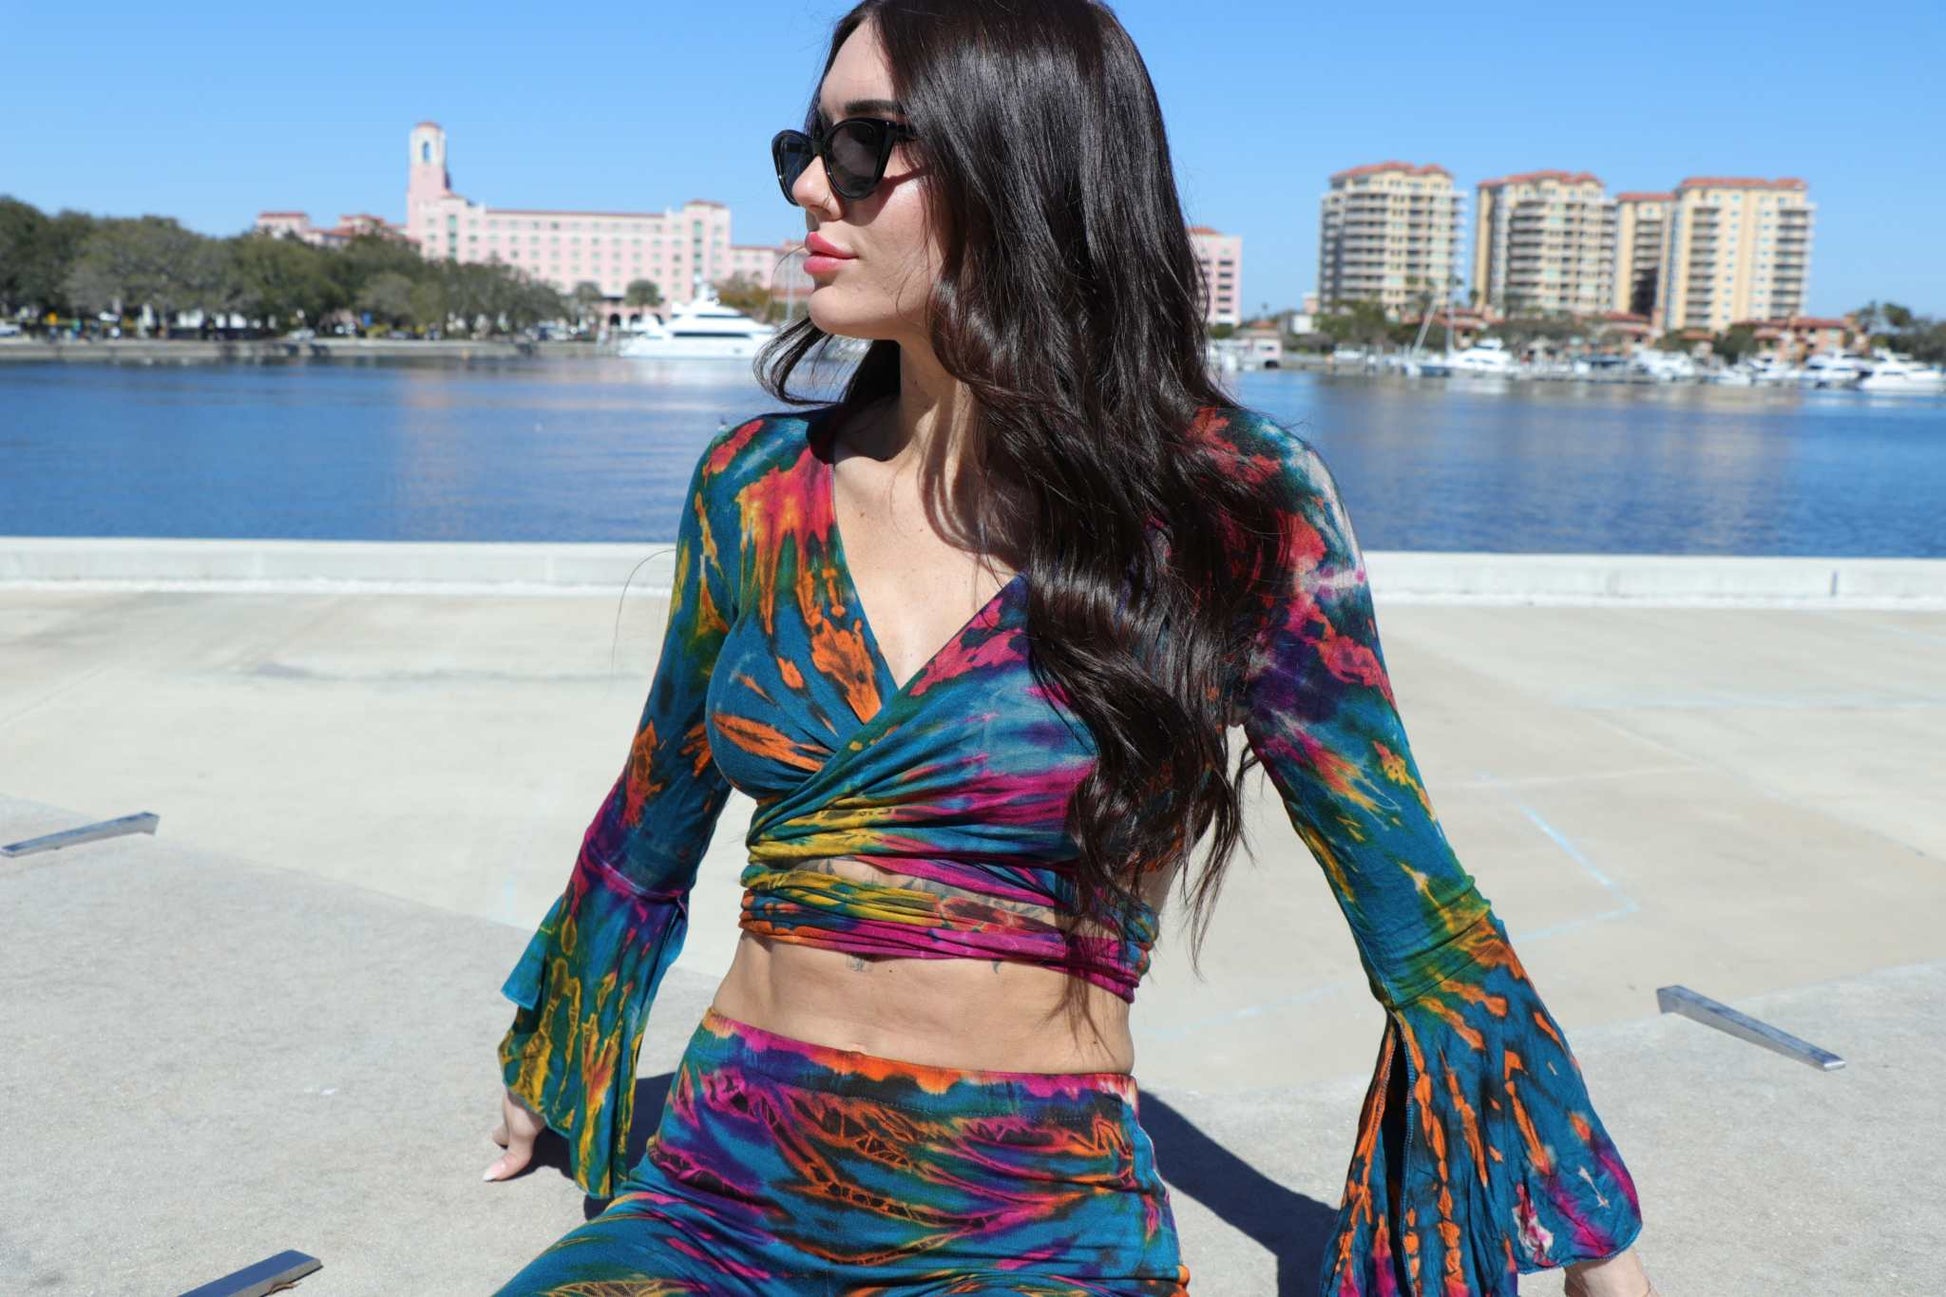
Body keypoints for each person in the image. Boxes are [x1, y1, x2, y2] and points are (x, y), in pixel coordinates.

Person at [483, 3, 1657, 1293]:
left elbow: (1408, 887)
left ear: (1023, 165)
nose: (813, 186)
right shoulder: (756, 488)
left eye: (866, 146)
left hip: (1028, 1218)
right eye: (804, 148)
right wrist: (556, 1058)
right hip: (722, 1185)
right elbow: (654, 810)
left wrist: (1590, 1238)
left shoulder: (1234, 507)